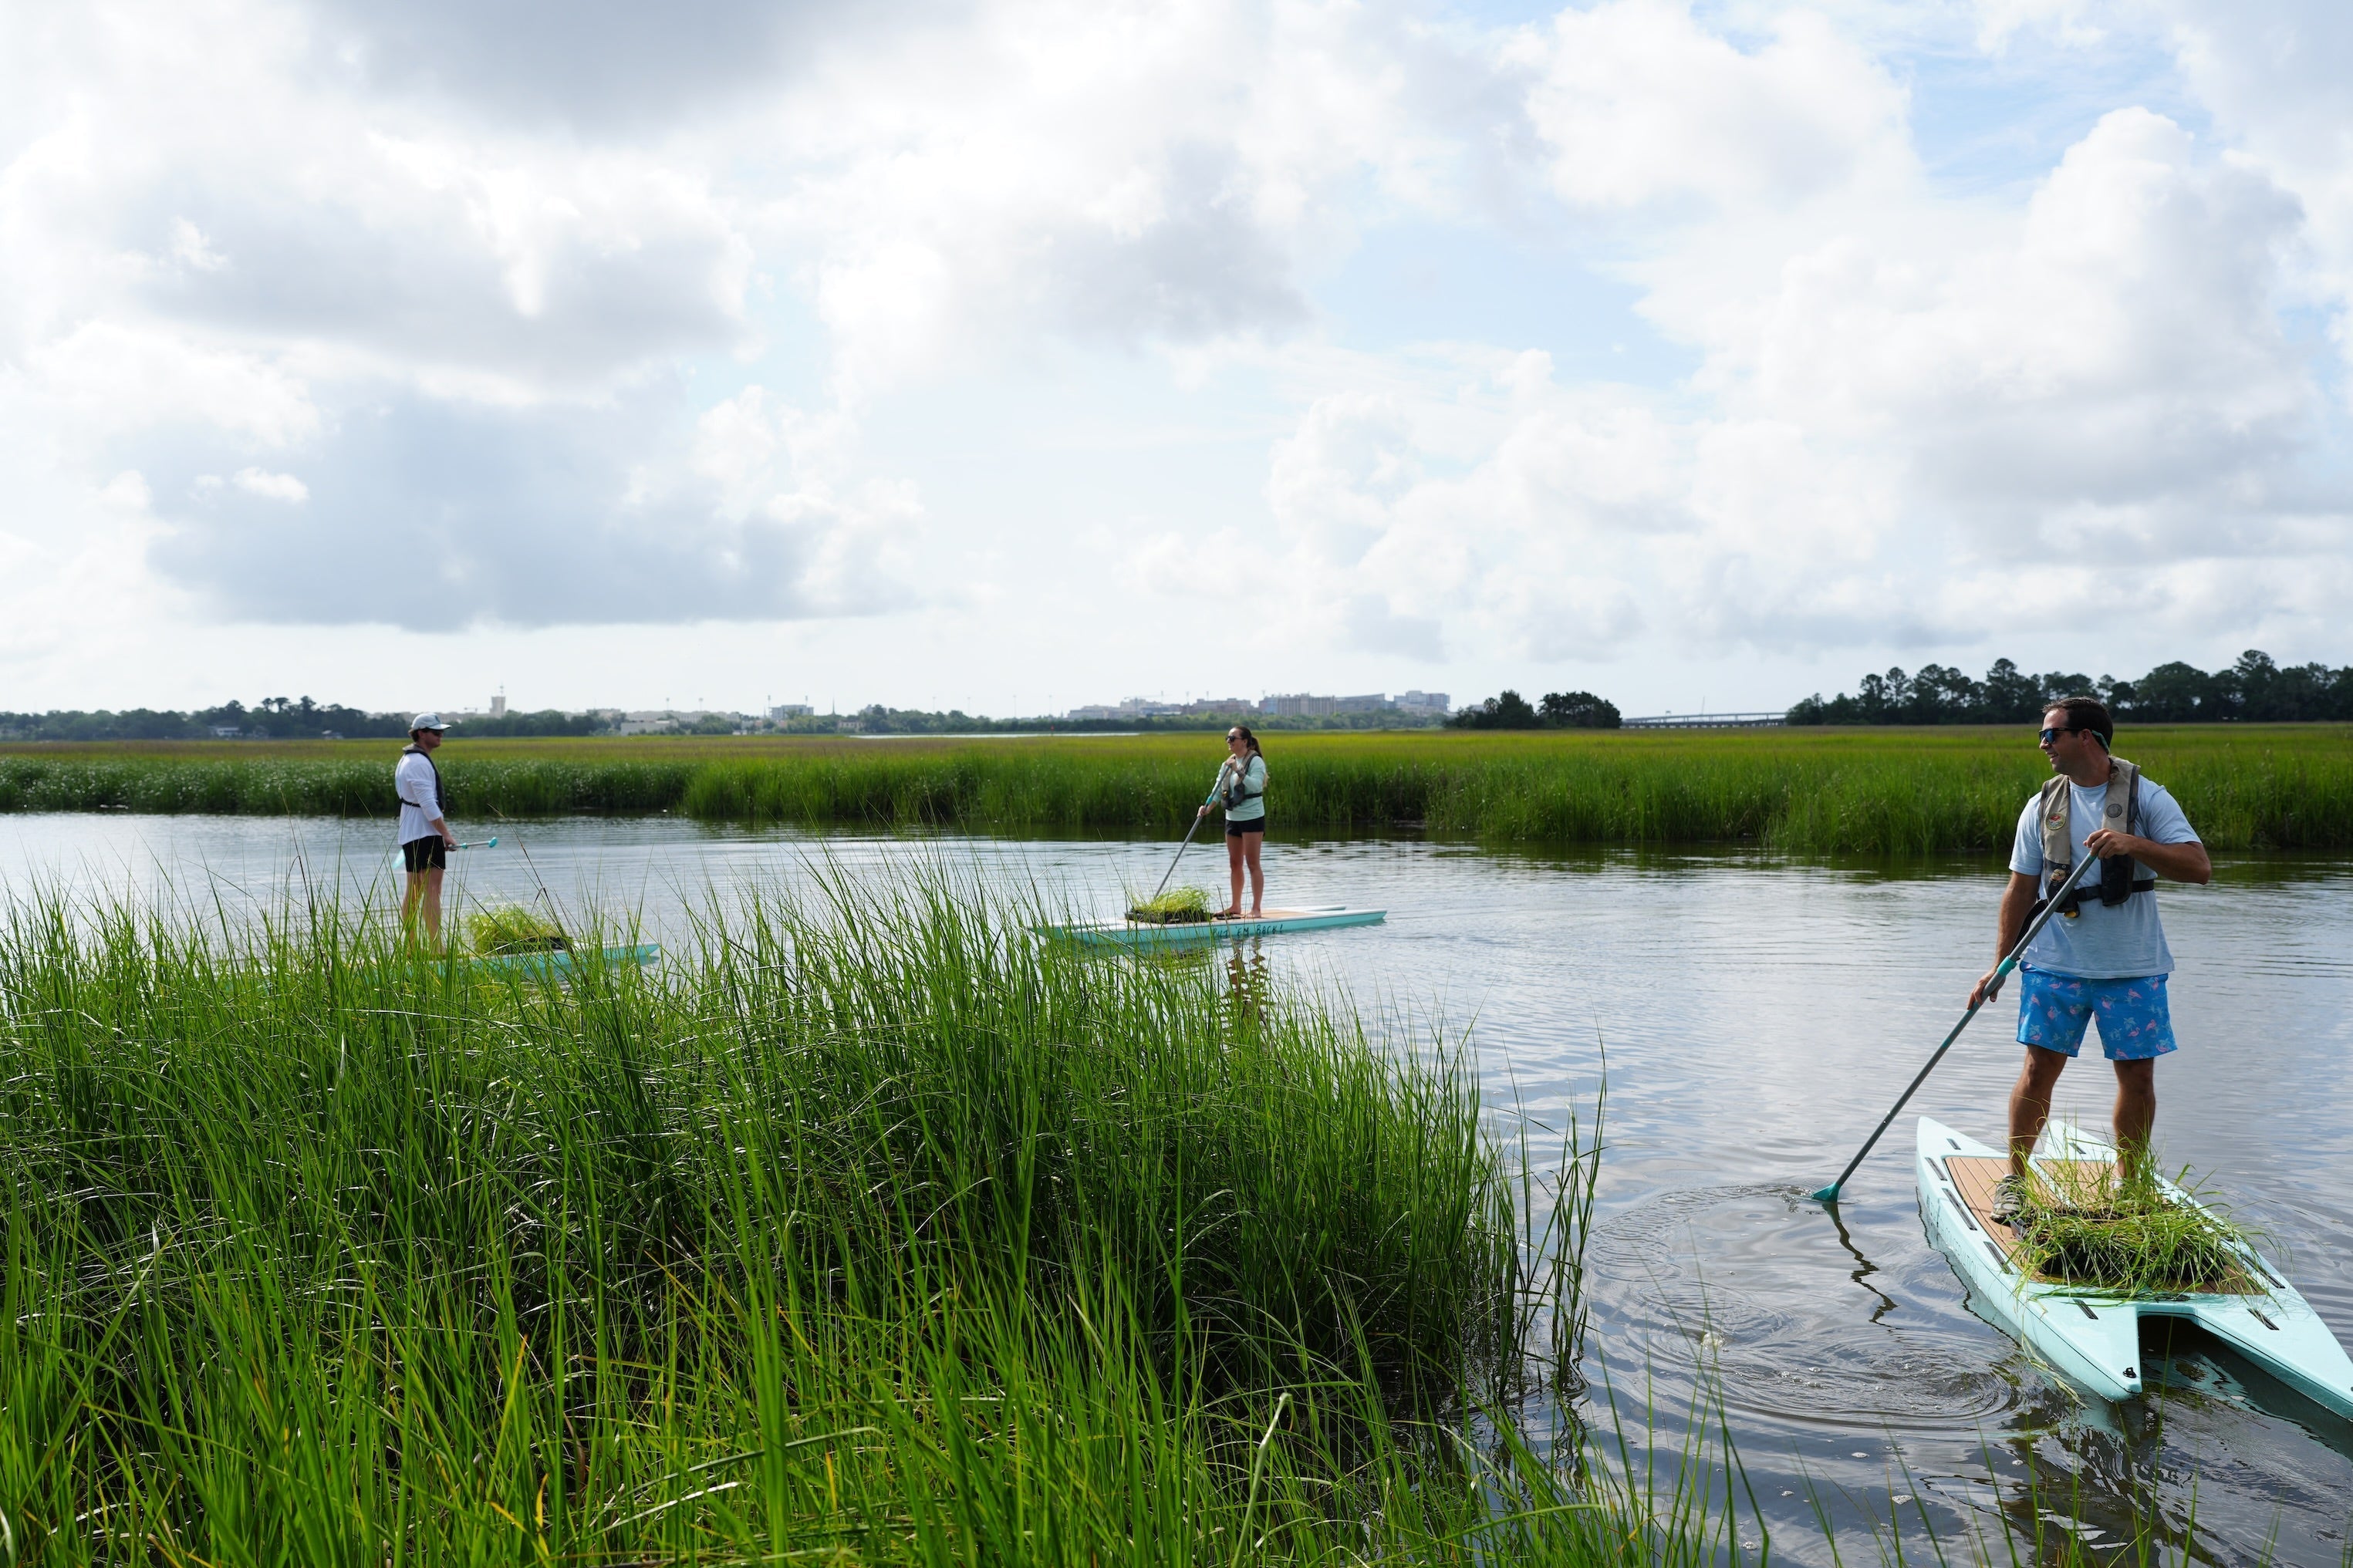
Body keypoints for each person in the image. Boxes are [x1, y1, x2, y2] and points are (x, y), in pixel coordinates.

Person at [1966, 696, 2210, 1221]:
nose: (2043, 744)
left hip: (2133, 965)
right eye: (2042, 734)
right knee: (2037, 1070)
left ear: (2089, 739)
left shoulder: (2149, 797)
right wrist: (1999, 965)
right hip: (2055, 962)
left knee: (2137, 1078)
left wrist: (2133, 843)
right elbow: (2019, 889)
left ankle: (2131, 1187)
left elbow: (2198, 867)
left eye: (2052, 734)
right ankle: (2015, 1178)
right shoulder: (2041, 804)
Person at [395, 713, 459, 942]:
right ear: (421, 733)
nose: (441, 735)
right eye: (435, 732)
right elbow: (429, 805)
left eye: (441, 731)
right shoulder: (419, 762)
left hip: (413, 834)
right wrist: (446, 834)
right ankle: (436, 947)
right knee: (432, 890)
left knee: (414, 891)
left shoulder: (409, 759)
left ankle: (411, 948)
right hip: (425, 835)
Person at [1197, 725, 1268, 917]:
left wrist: (1240, 771)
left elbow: (1255, 785)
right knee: (1235, 863)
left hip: (1252, 818)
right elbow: (1218, 789)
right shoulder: (1227, 763)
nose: (1229, 741)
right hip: (1232, 818)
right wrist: (1207, 807)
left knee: (1253, 863)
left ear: (1244, 741)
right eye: (1227, 738)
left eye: (1232, 738)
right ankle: (1235, 906)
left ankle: (1256, 909)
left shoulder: (1256, 761)